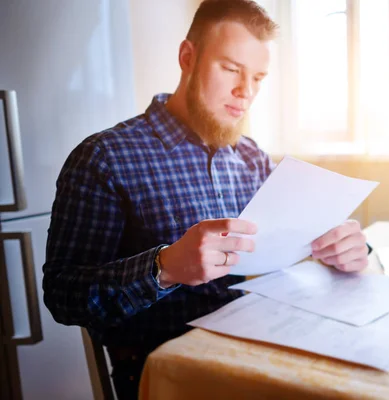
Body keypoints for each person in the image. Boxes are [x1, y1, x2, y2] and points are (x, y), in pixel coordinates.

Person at [42, 0, 370, 398]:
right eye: (231, 68)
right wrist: (164, 268)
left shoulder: (251, 157)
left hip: (258, 353)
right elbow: (63, 297)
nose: (244, 92)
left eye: (258, 77)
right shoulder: (104, 157)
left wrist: (345, 247)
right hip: (167, 374)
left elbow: (284, 250)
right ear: (187, 57)